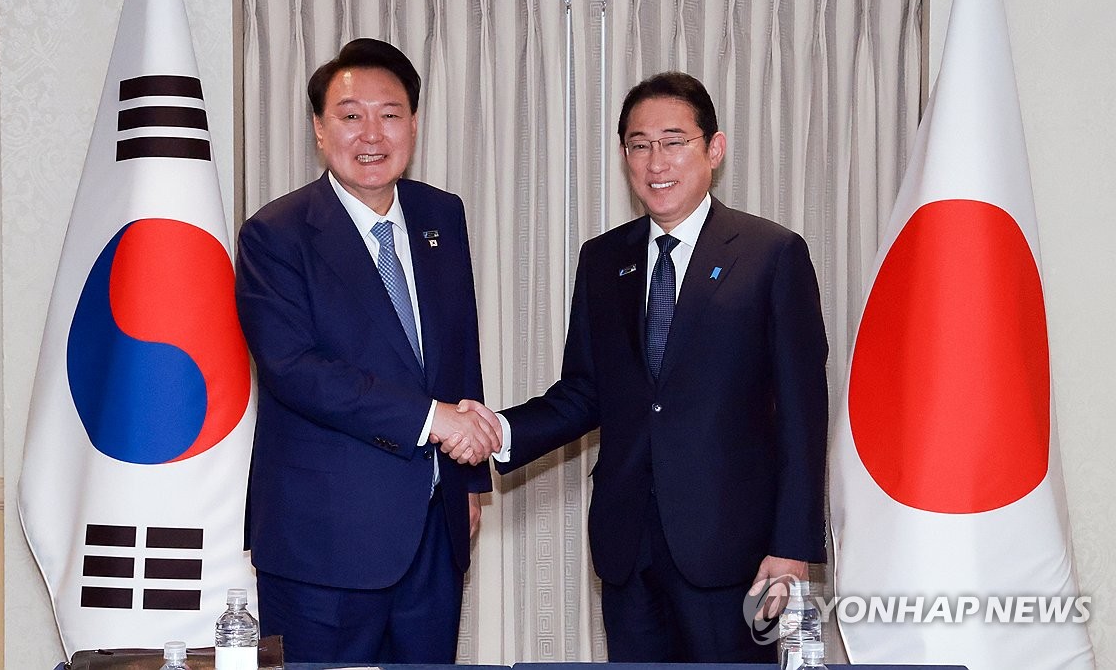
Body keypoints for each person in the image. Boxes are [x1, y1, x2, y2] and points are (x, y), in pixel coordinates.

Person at [450, 71, 829, 661]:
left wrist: (791, 545)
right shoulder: (604, 260)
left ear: (714, 148)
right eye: (639, 144)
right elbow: (584, 390)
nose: (657, 162)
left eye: (674, 141)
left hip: (735, 551)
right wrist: (500, 431)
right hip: (629, 547)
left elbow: (805, 413)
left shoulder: (771, 254)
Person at [234, 38, 501, 663]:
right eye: (351, 115)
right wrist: (435, 420)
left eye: (390, 113)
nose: (372, 133)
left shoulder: (443, 215)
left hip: (434, 533)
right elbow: (294, 371)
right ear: (320, 131)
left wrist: (467, 483)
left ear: (413, 123)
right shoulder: (275, 235)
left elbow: (458, 353)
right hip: (321, 541)